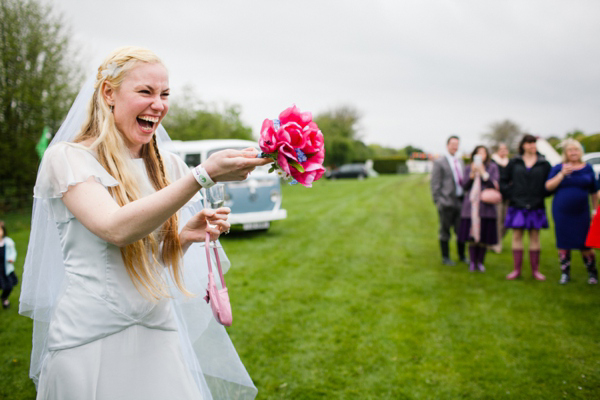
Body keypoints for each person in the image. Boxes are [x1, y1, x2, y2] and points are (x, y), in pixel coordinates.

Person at [19, 47, 271, 400]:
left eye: (165, 94)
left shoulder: (167, 165)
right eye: (145, 92)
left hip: (157, 332)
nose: (158, 104)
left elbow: (150, 264)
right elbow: (116, 229)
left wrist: (183, 238)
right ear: (109, 93)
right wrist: (203, 175)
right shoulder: (69, 158)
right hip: (90, 339)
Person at [545, 139, 599, 284]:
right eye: (570, 150)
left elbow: (594, 191)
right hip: (562, 211)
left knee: (585, 243)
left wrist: (595, 210)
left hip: (582, 211)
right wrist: (562, 174)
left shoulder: (587, 168)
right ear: (565, 153)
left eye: (576, 150)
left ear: (580, 151)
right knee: (564, 242)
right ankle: (565, 273)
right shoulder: (558, 167)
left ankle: (592, 273)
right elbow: (548, 187)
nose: (573, 152)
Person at [501, 134, 552, 280]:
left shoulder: (543, 163)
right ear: (523, 145)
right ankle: (517, 270)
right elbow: (503, 181)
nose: (532, 146)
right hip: (517, 205)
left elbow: (550, 183)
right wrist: (512, 195)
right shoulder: (515, 162)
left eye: (534, 143)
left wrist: (542, 194)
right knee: (517, 236)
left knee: (535, 237)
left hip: (536, 205)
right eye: (529, 143)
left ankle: (535, 271)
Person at [458, 146, 499, 272]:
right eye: (478, 153)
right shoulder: (468, 168)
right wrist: (471, 175)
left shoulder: (492, 167)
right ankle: (472, 262)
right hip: (471, 207)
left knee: (483, 237)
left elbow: (494, 185)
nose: (481, 155)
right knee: (471, 237)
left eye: (483, 153)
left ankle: (480, 262)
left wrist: (483, 173)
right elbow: (464, 186)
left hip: (485, 207)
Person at [431, 135, 468, 265]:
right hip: (446, 201)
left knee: (461, 230)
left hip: (460, 201)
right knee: (445, 231)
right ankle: (445, 257)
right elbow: (435, 183)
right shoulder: (440, 162)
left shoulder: (460, 161)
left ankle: (462, 256)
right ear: (447, 145)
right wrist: (438, 201)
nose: (455, 146)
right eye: (453, 144)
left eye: (457, 144)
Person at [490, 143, 510, 253]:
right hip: (497, 195)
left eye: (505, 148)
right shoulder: (493, 162)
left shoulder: (509, 163)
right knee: (498, 220)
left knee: (507, 221)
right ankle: (497, 244)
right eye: (501, 149)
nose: (503, 151)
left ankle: (494, 240)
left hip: (508, 196)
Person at [0, 220, 18, 309]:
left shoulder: (8, 242)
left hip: (6, 268)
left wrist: (11, 258)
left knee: (9, 286)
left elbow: (12, 252)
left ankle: (4, 298)